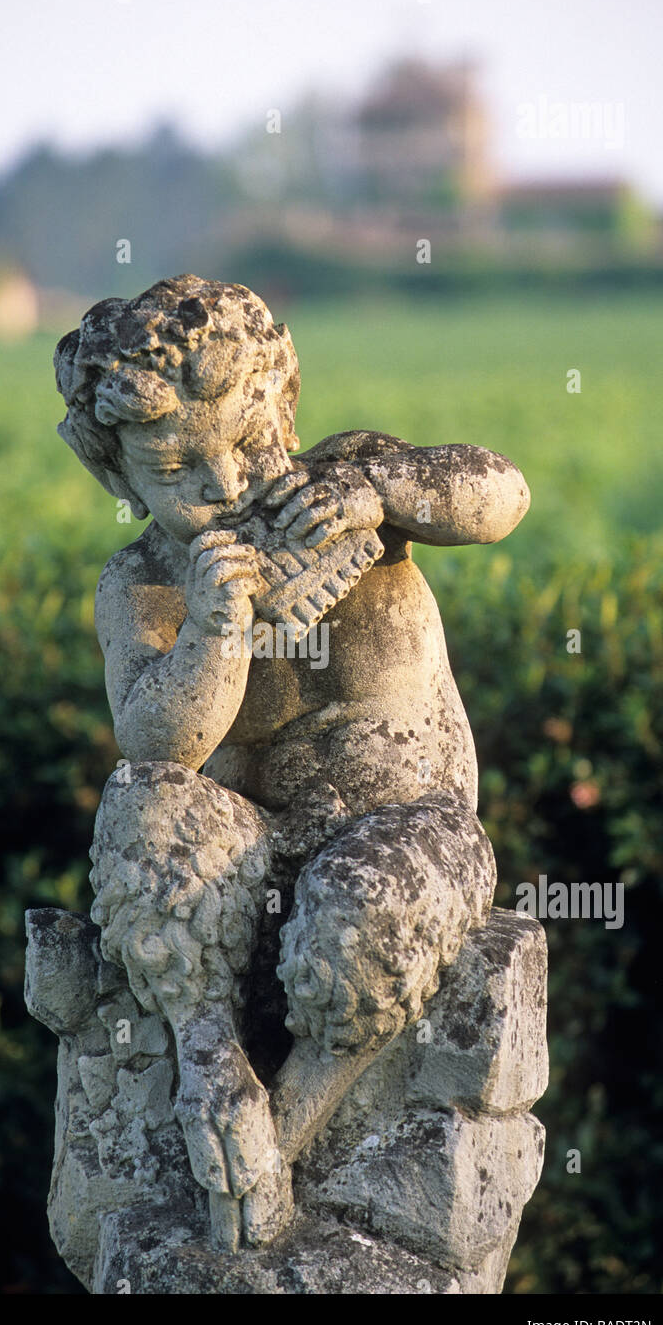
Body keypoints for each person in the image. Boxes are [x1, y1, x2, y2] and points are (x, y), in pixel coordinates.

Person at [54, 274, 530, 1250]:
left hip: (403, 820)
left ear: (285, 402)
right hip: (245, 843)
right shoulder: (143, 581)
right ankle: (210, 1055)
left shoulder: (351, 473)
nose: (225, 485)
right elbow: (159, 742)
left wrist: (377, 490)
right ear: (120, 479)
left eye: (246, 440)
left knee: (376, 899)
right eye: (176, 468)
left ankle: (288, 1117)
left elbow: (499, 493)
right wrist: (216, 633)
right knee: (143, 802)